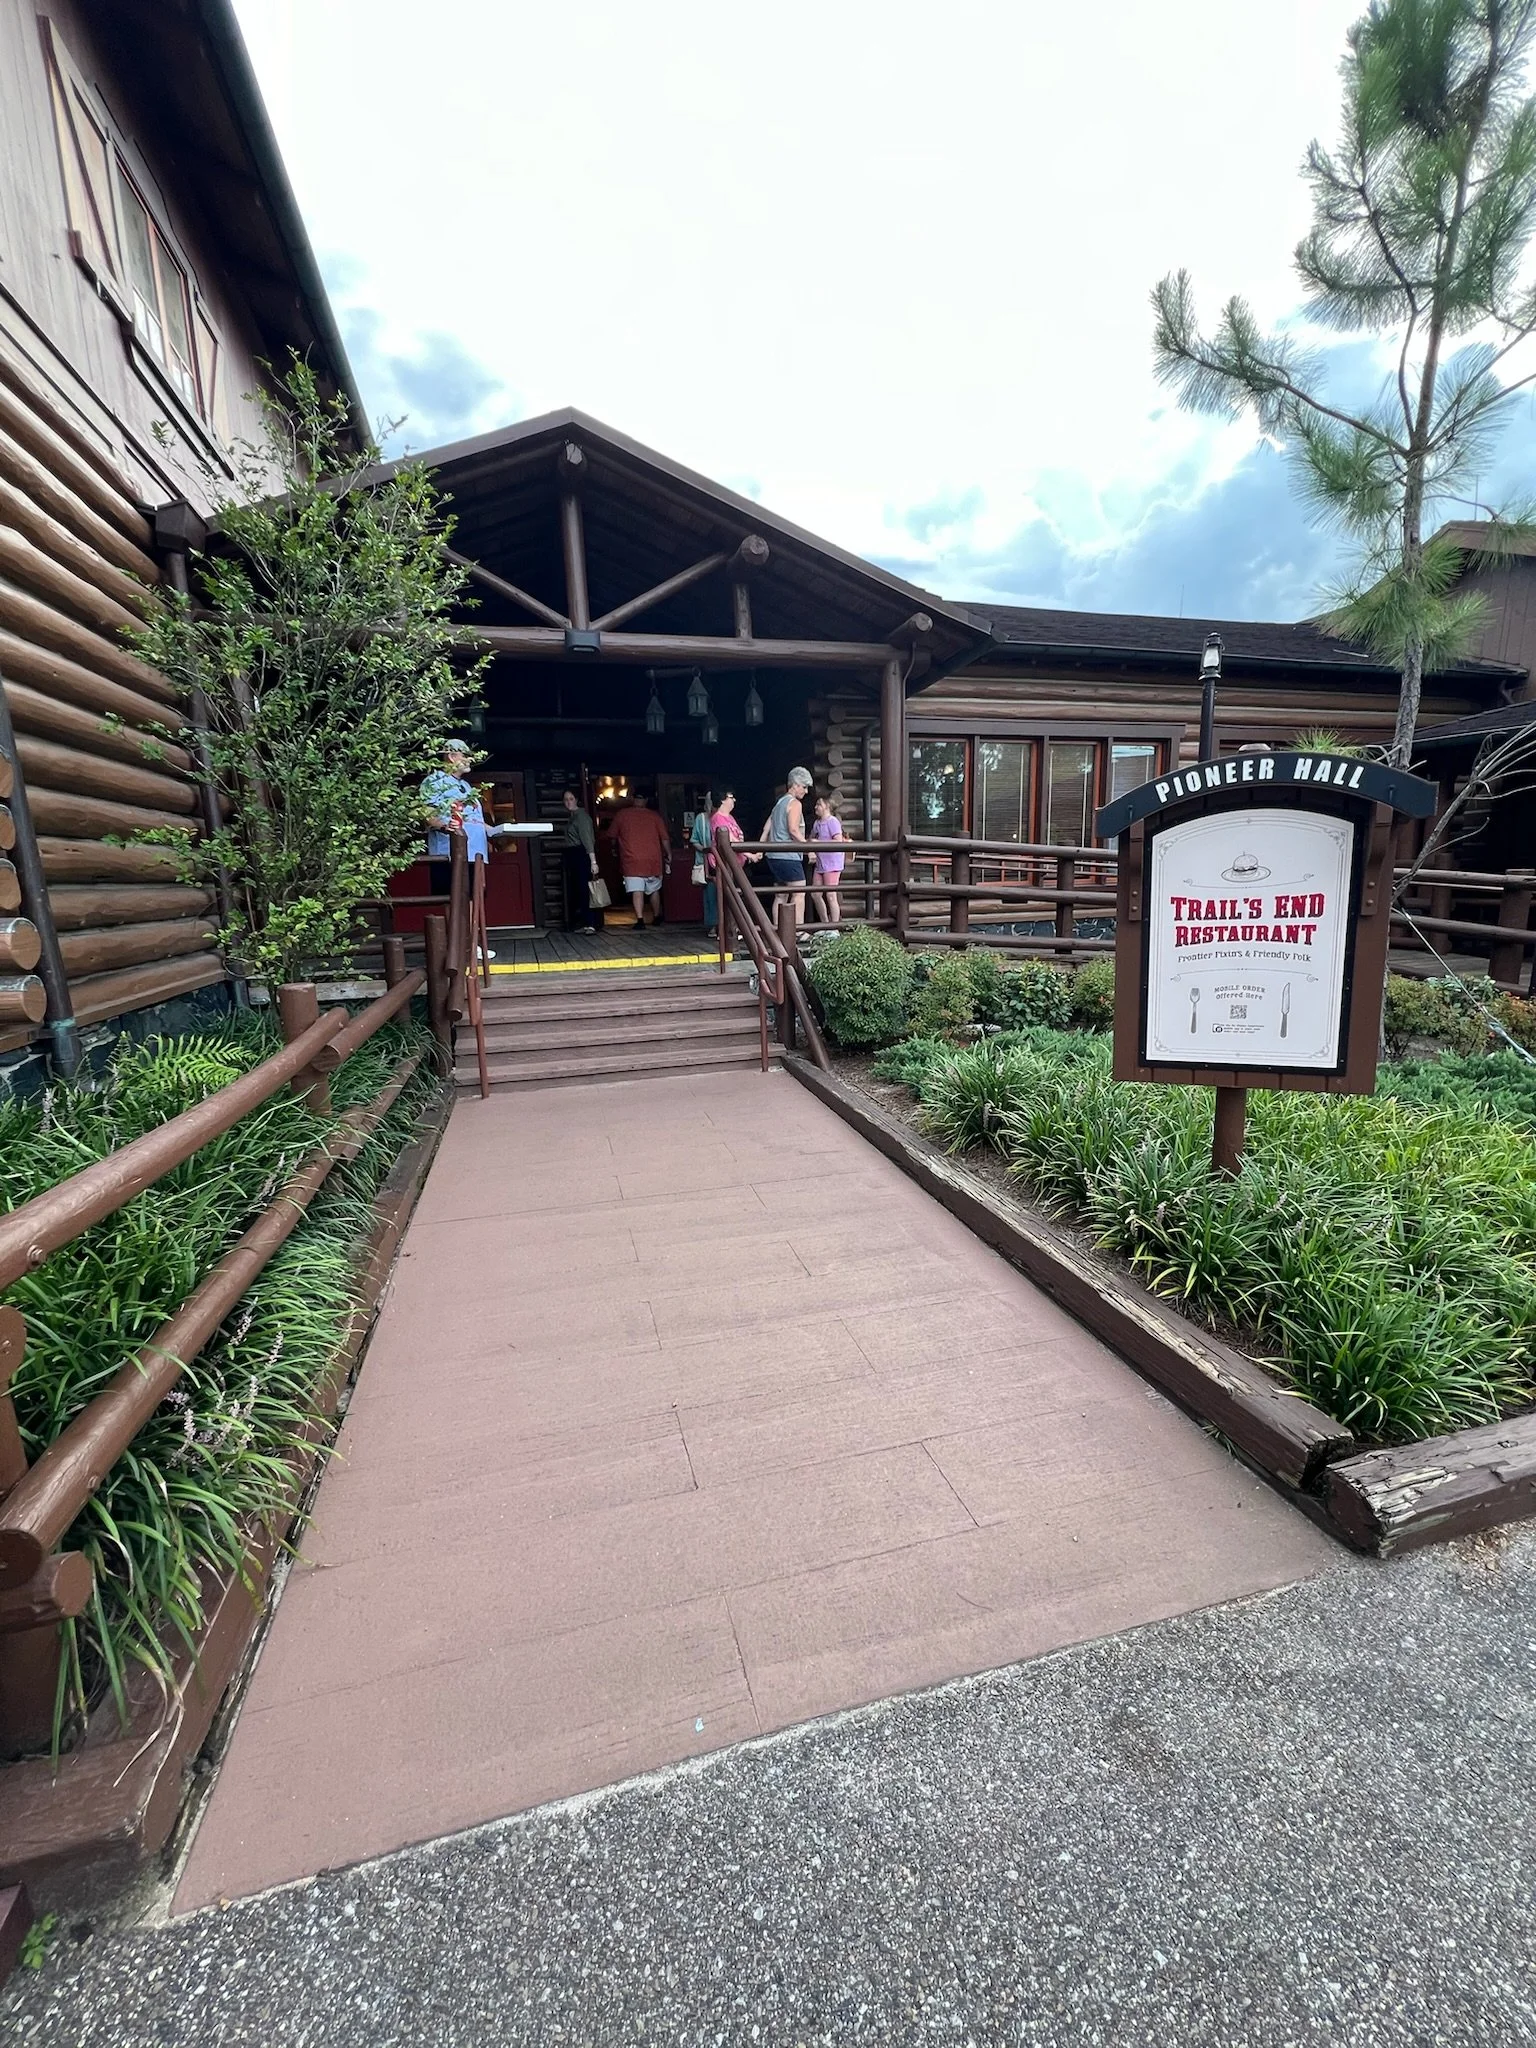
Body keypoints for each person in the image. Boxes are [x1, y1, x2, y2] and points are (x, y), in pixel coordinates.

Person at [420, 739, 494, 961]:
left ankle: (472, 946)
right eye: (465, 755)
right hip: (449, 853)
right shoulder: (434, 782)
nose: (469, 759)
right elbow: (426, 813)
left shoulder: (467, 787)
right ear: (452, 757)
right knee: (452, 899)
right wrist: (443, 825)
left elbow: (473, 820)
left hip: (474, 854)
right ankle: (455, 948)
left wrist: (498, 829)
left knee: (472, 898)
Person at [609, 788, 672, 931]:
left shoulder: (622, 815)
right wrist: (669, 854)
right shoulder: (655, 816)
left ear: (633, 799)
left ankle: (640, 920)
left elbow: (611, 836)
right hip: (653, 860)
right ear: (646, 800)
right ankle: (656, 917)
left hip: (631, 859)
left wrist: (614, 850)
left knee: (637, 890)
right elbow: (664, 838)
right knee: (654, 890)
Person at [704, 786, 759, 938]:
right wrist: (750, 855)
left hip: (736, 865)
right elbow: (731, 841)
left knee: (736, 896)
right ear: (722, 799)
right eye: (730, 796)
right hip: (725, 865)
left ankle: (734, 929)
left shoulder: (730, 818)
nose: (734, 799)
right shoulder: (718, 819)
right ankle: (728, 932)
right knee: (730, 898)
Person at [762, 767, 812, 925]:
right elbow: (793, 830)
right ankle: (798, 931)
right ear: (795, 785)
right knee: (799, 892)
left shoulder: (778, 804)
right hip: (788, 856)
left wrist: (761, 848)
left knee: (780, 895)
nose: (806, 791)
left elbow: (767, 827)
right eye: (804, 787)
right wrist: (808, 849)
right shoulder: (794, 803)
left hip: (774, 856)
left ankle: (778, 930)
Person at [561, 788, 600, 935]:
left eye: (571, 799)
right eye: (566, 799)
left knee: (586, 890)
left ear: (576, 800)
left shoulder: (582, 817)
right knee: (579, 891)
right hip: (574, 855)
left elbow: (588, 840)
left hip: (582, 855)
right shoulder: (573, 817)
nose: (568, 802)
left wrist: (593, 862)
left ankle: (591, 923)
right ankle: (585, 923)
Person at [810, 792, 848, 924]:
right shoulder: (817, 823)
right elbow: (812, 839)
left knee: (831, 895)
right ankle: (825, 923)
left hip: (832, 864)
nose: (816, 807)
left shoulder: (833, 822)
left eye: (819, 804)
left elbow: (838, 841)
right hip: (820, 864)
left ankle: (834, 927)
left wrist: (818, 843)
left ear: (827, 806)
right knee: (815, 894)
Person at [688, 791, 716, 937]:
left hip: (722, 862)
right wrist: (707, 851)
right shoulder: (701, 818)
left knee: (726, 894)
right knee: (710, 895)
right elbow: (694, 840)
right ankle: (713, 926)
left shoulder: (725, 818)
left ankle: (725, 926)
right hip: (706, 862)